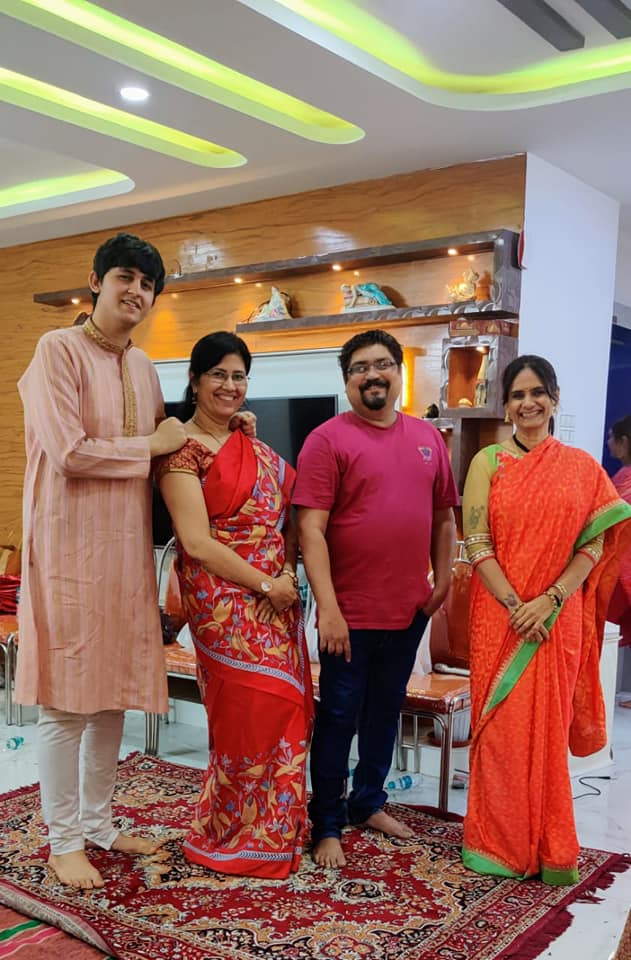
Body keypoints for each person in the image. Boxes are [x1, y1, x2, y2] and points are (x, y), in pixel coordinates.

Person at [16, 233, 189, 890]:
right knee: (66, 703)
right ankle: (63, 841)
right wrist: (153, 444)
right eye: (125, 277)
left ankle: (97, 823)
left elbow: (166, 451)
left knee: (112, 696)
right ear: (96, 282)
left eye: (148, 284)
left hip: (125, 552)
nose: (136, 292)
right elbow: (69, 451)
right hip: (67, 548)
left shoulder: (143, 367)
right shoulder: (56, 349)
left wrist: (221, 435)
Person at [461, 355, 631, 885]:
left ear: (554, 399)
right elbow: (477, 543)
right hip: (500, 617)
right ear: (506, 405)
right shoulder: (488, 461)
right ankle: (496, 845)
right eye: (517, 394)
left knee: (545, 736)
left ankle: (545, 845)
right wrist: (518, 606)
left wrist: (550, 600)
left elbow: (595, 545)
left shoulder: (581, 468)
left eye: (537, 392)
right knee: (501, 734)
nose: (528, 403)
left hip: (556, 621)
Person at [293, 329, 458, 868]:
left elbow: (443, 518)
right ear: (347, 381)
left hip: (408, 610)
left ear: (398, 373)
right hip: (348, 615)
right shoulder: (327, 440)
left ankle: (368, 802)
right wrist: (328, 609)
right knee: (339, 717)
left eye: (382, 364)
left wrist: (443, 579)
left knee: (386, 713)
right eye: (360, 367)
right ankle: (327, 823)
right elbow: (310, 529)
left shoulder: (427, 438)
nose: (373, 374)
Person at [156, 331, 314, 879]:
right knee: (248, 713)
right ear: (195, 380)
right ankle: (231, 832)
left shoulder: (256, 447)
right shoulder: (181, 451)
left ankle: (275, 830)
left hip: (277, 595)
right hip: (221, 600)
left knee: (287, 709)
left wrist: (287, 576)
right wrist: (267, 586)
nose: (229, 385)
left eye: (239, 375)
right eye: (218, 374)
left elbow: (289, 520)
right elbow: (196, 543)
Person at [607, 415, 631, 673]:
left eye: (612, 437)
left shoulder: (625, 481)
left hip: (622, 567)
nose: (608, 442)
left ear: (623, 443)